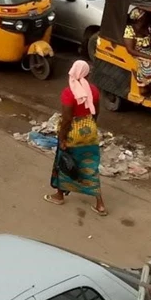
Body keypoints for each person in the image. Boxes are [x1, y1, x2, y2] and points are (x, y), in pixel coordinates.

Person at [46, 60, 107, 214]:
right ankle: (100, 204)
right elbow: (96, 112)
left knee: (64, 162)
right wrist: (90, 126)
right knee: (90, 166)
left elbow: (66, 119)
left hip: (73, 132)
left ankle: (59, 196)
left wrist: (62, 138)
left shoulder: (69, 92)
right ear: (87, 74)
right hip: (90, 130)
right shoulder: (93, 90)